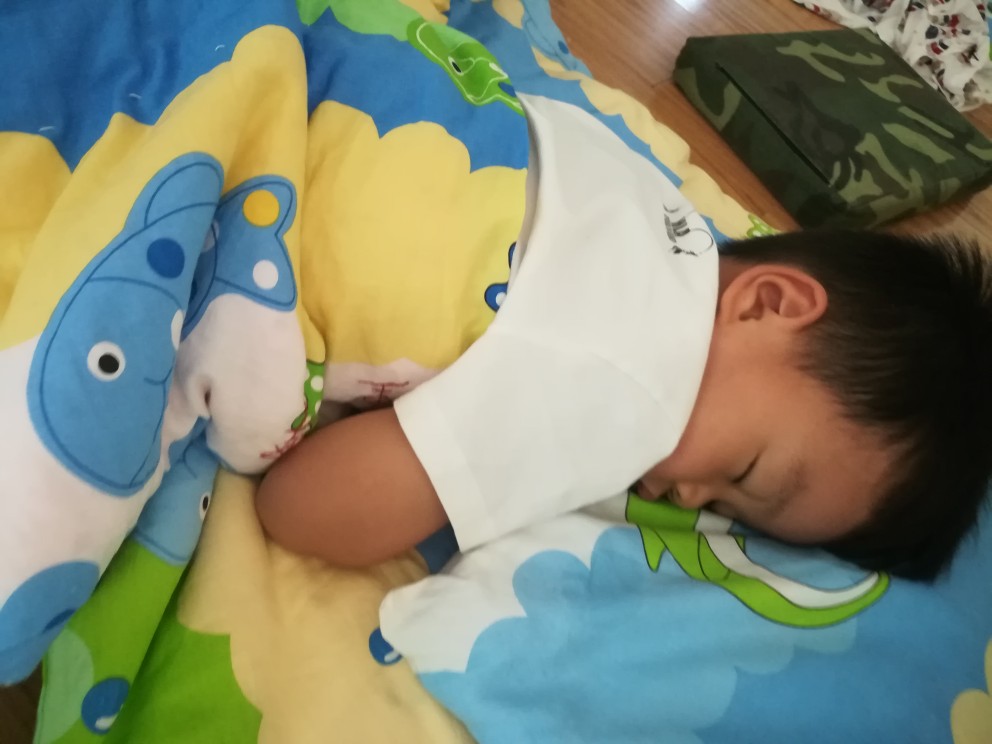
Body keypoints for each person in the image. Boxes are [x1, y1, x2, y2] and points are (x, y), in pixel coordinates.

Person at [256, 94, 992, 582]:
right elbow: (303, 511)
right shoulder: (632, 386)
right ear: (767, 303)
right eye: (743, 474)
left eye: (723, 512)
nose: (688, 498)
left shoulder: (648, 196)